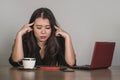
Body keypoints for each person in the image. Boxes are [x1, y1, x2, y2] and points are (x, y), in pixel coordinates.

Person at [9, 7, 76, 67]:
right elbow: (16, 62)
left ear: (52, 28)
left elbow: (70, 64)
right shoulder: (25, 40)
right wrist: (19, 34)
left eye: (47, 28)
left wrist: (67, 37)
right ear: (31, 27)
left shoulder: (58, 40)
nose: (43, 32)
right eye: (39, 27)